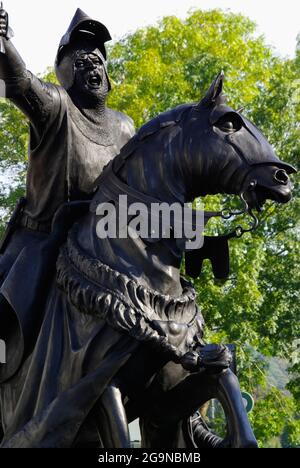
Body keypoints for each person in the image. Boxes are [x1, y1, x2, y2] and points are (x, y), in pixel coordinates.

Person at [0, 8, 134, 382]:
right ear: (66, 70)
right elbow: (20, 83)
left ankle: (187, 415)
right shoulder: (56, 106)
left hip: (105, 247)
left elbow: (140, 197)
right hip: (42, 243)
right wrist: (3, 43)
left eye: (98, 58)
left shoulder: (125, 127)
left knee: (167, 305)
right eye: (82, 58)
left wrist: (188, 229)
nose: (93, 65)